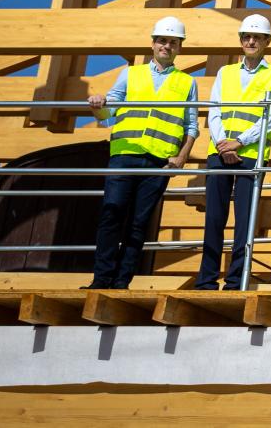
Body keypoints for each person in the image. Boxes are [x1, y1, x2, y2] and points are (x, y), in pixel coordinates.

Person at [84, 16, 199, 289]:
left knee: (139, 222)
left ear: (179, 47)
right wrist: (97, 105)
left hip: (159, 162)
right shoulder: (130, 74)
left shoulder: (187, 82)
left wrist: (182, 157)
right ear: (153, 44)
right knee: (112, 214)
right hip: (125, 155)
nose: (166, 46)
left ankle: (122, 282)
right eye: (162, 41)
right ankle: (102, 279)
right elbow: (107, 110)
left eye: (172, 42)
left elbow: (191, 126)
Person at [194, 13, 271, 290]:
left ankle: (235, 280)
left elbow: (270, 117)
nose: (251, 41)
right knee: (214, 219)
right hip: (220, 154)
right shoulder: (226, 72)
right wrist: (224, 145)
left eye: (257, 37)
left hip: (250, 155)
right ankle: (207, 279)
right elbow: (215, 111)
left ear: (267, 41)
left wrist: (239, 143)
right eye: (247, 36)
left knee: (244, 220)